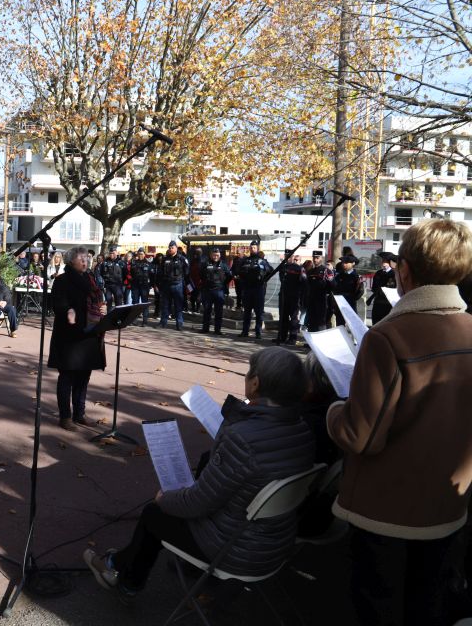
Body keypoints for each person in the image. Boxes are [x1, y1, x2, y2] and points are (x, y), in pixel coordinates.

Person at [327, 219, 472, 626]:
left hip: (386, 509)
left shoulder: (389, 337)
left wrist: (334, 412)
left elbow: (362, 436)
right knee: (427, 601)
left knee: (380, 604)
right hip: (450, 503)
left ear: (404, 270)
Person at [84, 346, 314, 599]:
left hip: (237, 551)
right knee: (178, 498)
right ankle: (122, 567)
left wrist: (164, 499)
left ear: (256, 383)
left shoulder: (243, 438)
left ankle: (124, 577)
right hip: (274, 544)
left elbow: (197, 503)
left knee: (155, 513)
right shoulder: (302, 428)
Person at [49, 247, 106, 430]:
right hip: (69, 336)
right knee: (67, 376)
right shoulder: (62, 280)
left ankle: (79, 413)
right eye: (81, 258)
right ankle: (65, 416)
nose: (85, 261)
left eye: (86, 258)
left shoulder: (90, 279)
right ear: (71, 260)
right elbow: (57, 304)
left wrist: (102, 308)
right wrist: (68, 311)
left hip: (89, 334)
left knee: (84, 376)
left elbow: (98, 300)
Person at [235, 240, 272, 339]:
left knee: (259, 313)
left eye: (254, 247)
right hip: (247, 289)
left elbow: (270, 270)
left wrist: (263, 280)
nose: (252, 249)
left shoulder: (262, 261)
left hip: (258, 289)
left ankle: (258, 332)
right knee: (247, 312)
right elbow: (239, 271)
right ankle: (245, 331)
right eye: (251, 248)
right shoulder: (245, 260)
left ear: (257, 249)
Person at [199, 248, 232, 335]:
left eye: (217, 255)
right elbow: (201, 274)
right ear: (211, 255)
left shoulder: (223, 265)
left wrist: (223, 284)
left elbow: (229, 275)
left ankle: (217, 330)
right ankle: (205, 328)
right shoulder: (205, 264)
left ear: (219, 255)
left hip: (219, 291)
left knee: (219, 311)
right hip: (208, 290)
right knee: (207, 310)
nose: (215, 257)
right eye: (214, 255)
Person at [157, 240, 188, 331]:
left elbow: (186, 271)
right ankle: (163, 323)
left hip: (177, 285)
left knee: (178, 305)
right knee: (165, 305)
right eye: (169, 248)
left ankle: (179, 324)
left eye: (172, 247)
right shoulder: (165, 259)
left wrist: (181, 279)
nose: (170, 249)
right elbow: (160, 272)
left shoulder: (182, 259)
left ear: (176, 248)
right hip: (166, 285)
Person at [276, 254, 307, 345]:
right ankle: (282, 336)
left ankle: (292, 338)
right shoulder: (284, 267)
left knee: (293, 317)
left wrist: (301, 296)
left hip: (294, 296)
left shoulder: (300, 269)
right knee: (283, 317)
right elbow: (282, 279)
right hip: (284, 295)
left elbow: (304, 283)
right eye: (294, 259)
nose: (295, 261)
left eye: (297, 260)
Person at [333, 255, 364, 326]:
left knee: (353, 326)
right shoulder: (339, 276)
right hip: (340, 304)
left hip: (351, 304)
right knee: (340, 325)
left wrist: (351, 298)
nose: (344, 264)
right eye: (343, 262)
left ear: (353, 263)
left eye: (346, 262)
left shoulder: (356, 277)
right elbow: (335, 289)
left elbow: (360, 292)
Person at [369, 251, 397, 325]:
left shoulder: (394, 274)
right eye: (383, 261)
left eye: (386, 261)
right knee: (375, 323)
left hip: (388, 304)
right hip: (378, 302)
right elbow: (374, 287)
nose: (383, 263)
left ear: (390, 262)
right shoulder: (378, 273)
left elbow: (395, 289)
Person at [129, 249, 153, 325]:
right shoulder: (134, 263)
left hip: (144, 286)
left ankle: (144, 321)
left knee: (144, 303)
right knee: (135, 303)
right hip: (135, 286)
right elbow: (130, 274)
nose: (140, 255)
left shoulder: (148, 263)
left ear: (144, 254)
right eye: (139, 254)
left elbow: (152, 275)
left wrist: (150, 285)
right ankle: (134, 320)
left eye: (142, 254)